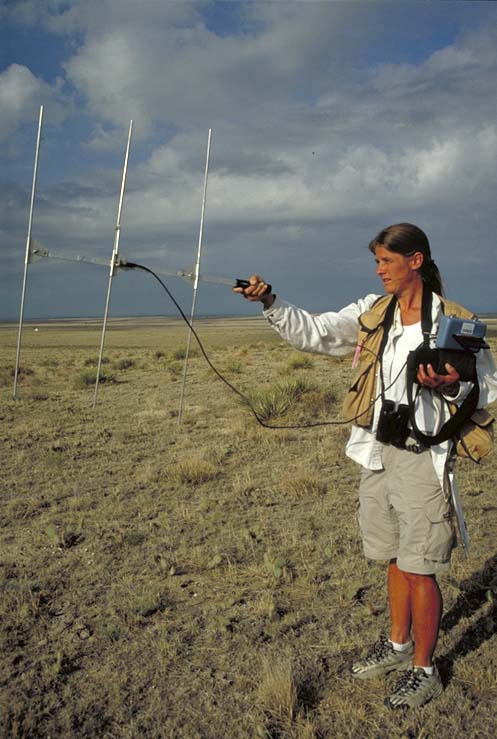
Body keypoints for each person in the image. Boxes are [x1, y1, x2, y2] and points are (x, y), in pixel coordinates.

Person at [234, 223, 497, 709]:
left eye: (387, 261)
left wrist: (450, 386)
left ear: (415, 261)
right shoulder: (373, 313)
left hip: (422, 456)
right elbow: (315, 333)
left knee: (421, 566)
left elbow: (487, 387)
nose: (379, 271)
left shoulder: (455, 320)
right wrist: (270, 301)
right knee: (394, 557)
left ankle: (425, 670)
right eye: (376, 261)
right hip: (376, 450)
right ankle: (398, 645)